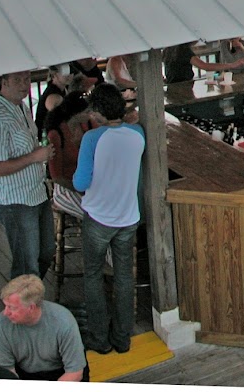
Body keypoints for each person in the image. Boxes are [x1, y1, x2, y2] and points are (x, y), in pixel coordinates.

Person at [73, 83, 145, 355]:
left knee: (93, 275)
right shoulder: (138, 134)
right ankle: (123, 337)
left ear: (98, 111)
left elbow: (81, 182)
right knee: (124, 276)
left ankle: (99, 338)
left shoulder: (92, 138)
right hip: (128, 216)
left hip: (99, 217)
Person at [0, 70, 55, 280]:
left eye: (27, 79)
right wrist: (34, 157)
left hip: (36, 194)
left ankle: (29, 299)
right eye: (17, 80)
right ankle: (23, 308)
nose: (24, 84)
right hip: (15, 200)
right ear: (3, 82)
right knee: (26, 264)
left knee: (46, 251)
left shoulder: (21, 107)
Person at [0, 274, 87, 381]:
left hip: (60, 373)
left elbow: (75, 373)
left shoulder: (63, 322)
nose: (5, 313)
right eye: (5, 306)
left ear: (31, 307)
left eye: (12, 308)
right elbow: (6, 371)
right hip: (24, 374)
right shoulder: (1, 324)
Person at [46, 84, 95, 220]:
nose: (90, 114)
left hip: (87, 182)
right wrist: (80, 189)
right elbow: (56, 177)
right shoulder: (57, 134)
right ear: (75, 114)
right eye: (87, 112)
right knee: (93, 215)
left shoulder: (88, 125)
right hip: (66, 186)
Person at [34, 66, 71, 138]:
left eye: (70, 71)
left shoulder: (63, 90)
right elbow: (57, 120)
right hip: (46, 137)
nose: (69, 75)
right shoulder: (53, 95)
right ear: (54, 75)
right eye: (64, 72)